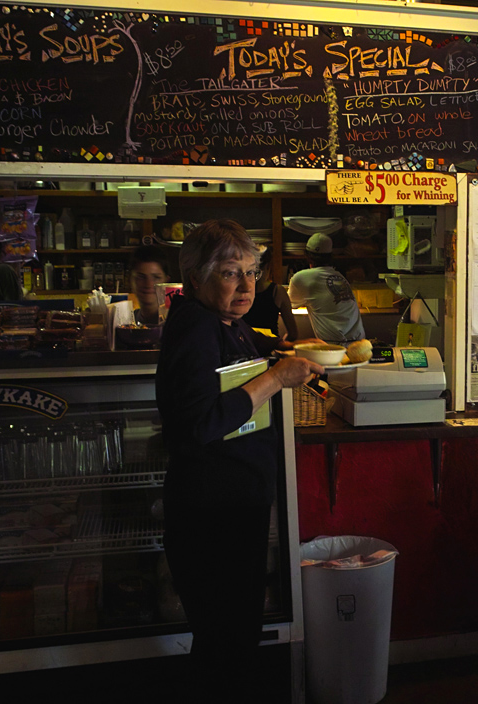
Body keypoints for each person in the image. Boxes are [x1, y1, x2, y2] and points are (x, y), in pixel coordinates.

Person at [155, 220, 324, 702]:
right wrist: (276, 377)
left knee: (231, 638)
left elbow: (236, 358)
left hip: (232, 508)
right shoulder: (195, 328)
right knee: (225, 644)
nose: (247, 286)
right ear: (195, 276)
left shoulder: (221, 321)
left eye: (252, 272)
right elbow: (200, 424)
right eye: (231, 274)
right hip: (212, 517)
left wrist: (274, 351)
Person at [287, 233, 365, 345]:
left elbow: (287, 304)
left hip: (335, 345)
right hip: (360, 343)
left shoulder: (302, 278)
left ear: (307, 256)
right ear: (331, 256)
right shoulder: (340, 276)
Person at [242, 245, 299, 341]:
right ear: (268, 265)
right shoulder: (277, 291)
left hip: (244, 347)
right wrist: (280, 344)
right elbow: (293, 334)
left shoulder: (239, 290)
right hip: (269, 348)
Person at [128, 245, 168, 325]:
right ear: (130, 280)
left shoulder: (176, 323)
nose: (148, 284)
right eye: (141, 277)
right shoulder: (126, 321)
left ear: (167, 281)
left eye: (156, 277)